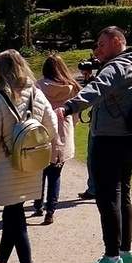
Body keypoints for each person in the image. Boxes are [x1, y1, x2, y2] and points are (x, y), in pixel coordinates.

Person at [62, 26, 132, 263]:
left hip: (109, 140)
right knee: (123, 194)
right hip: (129, 139)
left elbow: (96, 90)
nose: (96, 50)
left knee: (107, 197)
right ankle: (124, 252)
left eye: (101, 44)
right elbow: (104, 91)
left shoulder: (115, 67)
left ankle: (111, 258)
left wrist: (68, 107)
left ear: (117, 41)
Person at [0, 49, 58, 263]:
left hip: (7, 164)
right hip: (31, 163)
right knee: (12, 218)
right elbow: (52, 126)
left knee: (16, 220)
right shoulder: (36, 92)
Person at [32, 55, 80, 225]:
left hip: (42, 133)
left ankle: (38, 205)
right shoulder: (72, 88)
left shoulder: (37, 86)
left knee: (39, 172)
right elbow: (76, 114)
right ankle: (50, 211)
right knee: (55, 175)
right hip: (62, 133)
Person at [75, 59, 98, 200]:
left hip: (99, 124)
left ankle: (94, 189)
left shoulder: (98, 81)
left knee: (93, 157)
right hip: (100, 122)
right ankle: (95, 188)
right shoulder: (94, 80)